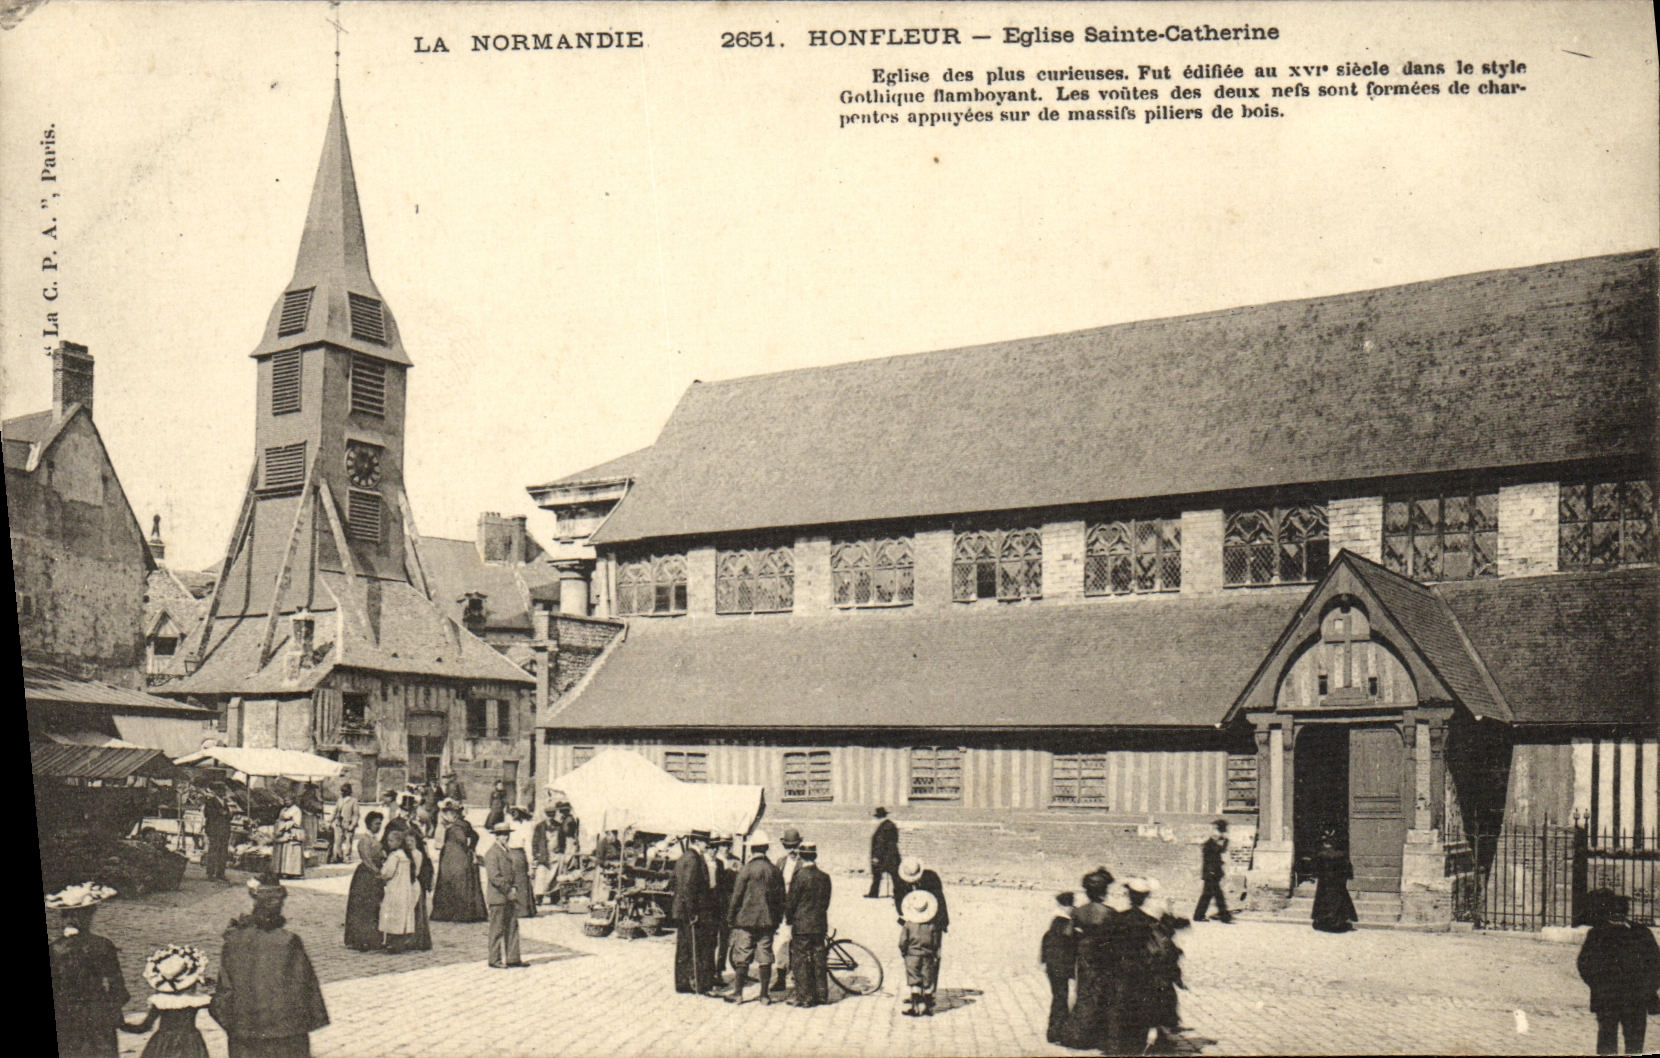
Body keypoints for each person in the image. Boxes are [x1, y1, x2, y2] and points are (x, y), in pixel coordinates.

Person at [211, 874, 329, 1058]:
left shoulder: (234, 940)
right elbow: (306, 989)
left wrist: (232, 1024)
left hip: (245, 1034)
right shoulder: (289, 941)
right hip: (286, 1035)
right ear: (280, 906)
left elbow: (224, 991)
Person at [48, 882, 128, 1058]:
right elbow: (119, 991)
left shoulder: (54, 949)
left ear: (63, 916)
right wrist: (112, 1011)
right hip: (97, 1013)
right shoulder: (103, 945)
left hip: (65, 1015)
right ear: (89, 915)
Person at [1578, 889, 1660, 1056]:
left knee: (1613, 1042)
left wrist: (1599, 985)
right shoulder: (1639, 933)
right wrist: (1648, 989)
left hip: (1615, 997)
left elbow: (1585, 965)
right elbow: (1586, 965)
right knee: (1628, 1043)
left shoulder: (1598, 933)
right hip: (1628, 998)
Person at [725, 828, 785, 1004]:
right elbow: (781, 898)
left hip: (746, 921)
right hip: (767, 922)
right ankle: (764, 995)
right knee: (765, 956)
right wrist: (777, 919)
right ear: (766, 848)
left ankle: (738, 993)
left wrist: (731, 918)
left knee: (742, 956)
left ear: (751, 850)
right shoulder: (774, 871)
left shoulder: (746, 870)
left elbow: (737, 896)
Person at [122, 944, 212, 1058]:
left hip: (162, 1042)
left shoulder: (161, 1003)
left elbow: (144, 1027)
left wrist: (121, 1024)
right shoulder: (194, 1002)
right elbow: (217, 1007)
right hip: (190, 1043)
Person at [1063, 868, 1118, 1051]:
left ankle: (1079, 1035)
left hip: (1085, 954)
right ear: (1104, 891)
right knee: (1103, 993)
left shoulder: (1079, 912)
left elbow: (1068, 934)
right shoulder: (1109, 912)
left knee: (1085, 993)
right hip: (1104, 954)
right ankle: (1100, 1035)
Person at [672, 831, 719, 995]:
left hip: (682, 910)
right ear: (698, 841)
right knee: (696, 947)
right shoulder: (693, 858)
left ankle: (682, 982)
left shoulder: (685, 856)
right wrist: (693, 912)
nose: (707, 845)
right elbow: (689, 888)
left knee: (684, 947)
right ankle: (698, 984)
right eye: (705, 842)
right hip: (691, 911)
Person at [785, 842, 832, 1008]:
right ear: (815, 856)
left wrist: (789, 919)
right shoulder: (825, 877)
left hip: (802, 925)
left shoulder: (799, 876)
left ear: (801, 856)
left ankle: (804, 997)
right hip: (819, 924)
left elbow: (791, 902)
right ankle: (821, 994)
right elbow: (826, 902)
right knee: (819, 958)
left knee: (801, 960)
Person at [430, 803, 488, 922]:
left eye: (448, 813)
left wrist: (465, 847)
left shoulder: (455, 827)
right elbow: (476, 836)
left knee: (452, 882)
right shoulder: (464, 824)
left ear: (453, 814)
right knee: (457, 882)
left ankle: (452, 913)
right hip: (456, 855)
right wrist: (471, 848)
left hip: (454, 857)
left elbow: (462, 838)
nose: (446, 816)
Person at [483, 819, 526, 968]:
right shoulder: (491, 853)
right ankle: (494, 960)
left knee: (512, 927)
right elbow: (494, 877)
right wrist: (508, 890)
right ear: (496, 836)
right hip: (498, 897)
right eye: (502, 834)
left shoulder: (506, 851)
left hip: (508, 896)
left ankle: (513, 958)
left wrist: (513, 887)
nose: (505, 837)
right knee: (497, 929)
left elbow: (511, 873)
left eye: (507, 834)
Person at [343, 810, 386, 951]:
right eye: (376, 824)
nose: (378, 826)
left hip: (375, 876)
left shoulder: (375, 840)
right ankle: (359, 939)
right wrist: (377, 872)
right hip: (365, 877)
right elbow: (367, 860)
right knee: (362, 908)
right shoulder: (364, 840)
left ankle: (372, 938)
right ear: (369, 824)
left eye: (380, 824)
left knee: (374, 907)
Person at [769, 826, 805, 994]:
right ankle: (781, 977)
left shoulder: (804, 863)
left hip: (799, 909)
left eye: (795, 846)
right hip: (784, 908)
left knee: (798, 944)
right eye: (789, 846)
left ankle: (799, 978)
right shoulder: (781, 862)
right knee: (782, 944)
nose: (792, 850)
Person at [898, 888, 943, 1017]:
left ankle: (915, 1008)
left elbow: (902, 942)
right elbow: (935, 943)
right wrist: (934, 953)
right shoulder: (932, 926)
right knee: (927, 980)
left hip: (912, 956)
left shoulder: (908, 925)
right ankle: (928, 1008)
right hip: (927, 956)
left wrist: (904, 952)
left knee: (915, 981)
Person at [1040, 892, 1076, 1044]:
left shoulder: (1055, 921)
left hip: (1052, 966)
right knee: (1061, 998)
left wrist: (1044, 961)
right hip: (1061, 966)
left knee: (1059, 997)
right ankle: (1057, 1032)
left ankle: (1056, 1031)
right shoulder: (1065, 922)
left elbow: (1046, 941)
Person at [532, 799, 580, 907]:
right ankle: (539, 897)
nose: (550, 817)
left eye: (552, 814)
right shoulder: (539, 827)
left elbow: (562, 841)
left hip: (555, 855)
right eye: (548, 814)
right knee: (541, 877)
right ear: (545, 815)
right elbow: (535, 842)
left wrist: (561, 852)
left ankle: (554, 897)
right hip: (544, 855)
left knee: (555, 877)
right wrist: (536, 854)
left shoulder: (559, 826)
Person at [378, 823, 417, 953]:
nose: (389, 843)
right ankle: (400, 942)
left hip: (395, 889)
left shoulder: (394, 856)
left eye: (391, 841)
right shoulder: (406, 857)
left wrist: (381, 874)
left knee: (392, 914)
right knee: (402, 916)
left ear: (398, 842)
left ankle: (391, 943)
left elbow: (387, 873)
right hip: (405, 890)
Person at [1311, 834, 1358, 933]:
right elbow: (1347, 867)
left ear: (1326, 843)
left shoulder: (1321, 855)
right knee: (1339, 900)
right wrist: (1346, 878)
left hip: (1324, 883)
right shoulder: (1341, 855)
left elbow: (1316, 869)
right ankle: (1338, 922)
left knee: (1323, 900)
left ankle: (1325, 922)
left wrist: (1316, 876)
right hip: (1337, 882)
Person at [1192, 819, 1232, 924]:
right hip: (1211, 874)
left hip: (1212, 873)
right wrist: (1212, 872)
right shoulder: (1210, 844)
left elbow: (1220, 851)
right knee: (1218, 896)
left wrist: (1225, 841)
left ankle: (1199, 915)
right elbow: (1213, 856)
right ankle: (1224, 917)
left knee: (1207, 895)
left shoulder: (1212, 843)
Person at [710, 832, 738, 981]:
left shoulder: (736, 861)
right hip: (715, 905)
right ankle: (711, 970)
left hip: (729, 905)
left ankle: (719, 970)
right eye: (722, 845)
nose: (725, 848)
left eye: (728, 844)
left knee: (725, 940)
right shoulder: (714, 861)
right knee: (713, 939)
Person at [405, 826, 434, 952]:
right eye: (407, 841)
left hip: (414, 884)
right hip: (409, 884)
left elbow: (417, 871)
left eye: (412, 841)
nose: (409, 843)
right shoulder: (407, 854)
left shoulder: (417, 854)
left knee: (416, 911)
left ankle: (416, 939)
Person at [505, 806, 537, 918]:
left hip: (516, 853)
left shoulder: (522, 826)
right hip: (515, 854)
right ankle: (522, 909)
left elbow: (528, 846)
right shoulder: (517, 825)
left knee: (517, 881)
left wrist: (530, 863)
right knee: (518, 882)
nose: (513, 814)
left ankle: (519, 910)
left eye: (515, 812)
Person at [202, 783, 233, 882]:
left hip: (224, 830)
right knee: (213, 851)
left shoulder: (225, 802)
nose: (223, 792)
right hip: (214, 829)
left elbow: (228, 815)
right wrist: (220, 813)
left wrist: (226, 814)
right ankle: (210, 873)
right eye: (221, 790)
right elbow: (207, 814)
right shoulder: (210, 801)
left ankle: (220, 873)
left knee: (223, 852)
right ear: (216, 791)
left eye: (223, 790)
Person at [867, 807, 900, 899]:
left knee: (877, 874)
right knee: (895, 875)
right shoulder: (890, 825)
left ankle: (873, 893)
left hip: (884, 856)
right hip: (892, 855)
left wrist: (876, 857)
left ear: (879, 817)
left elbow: (880, 843)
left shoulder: (884, 827)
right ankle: (898, 893)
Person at [273, 793, 306, 879]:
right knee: (282, 852)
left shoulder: (296, 810)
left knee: (291, 853)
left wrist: (286, 825)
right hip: (282, 832)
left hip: (292, 832)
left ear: (292, 801)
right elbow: (279, 819)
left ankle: (292, 872)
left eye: (288, 800)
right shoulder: (283, 810)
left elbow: (297, 822)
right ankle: (281, 870)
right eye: (285, 800)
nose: (286, 802)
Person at [328, 784, 358, 865]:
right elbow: (335, 811)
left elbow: (355, 814)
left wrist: (353, 824)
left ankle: (347, 857)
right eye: (342, 791)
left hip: (348, 823)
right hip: (339, 823)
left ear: (348, 792)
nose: (342, 793)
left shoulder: (353, 801)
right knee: (337, 841)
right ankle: (337, 856)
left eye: (344, 791)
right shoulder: (340, 800)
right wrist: (330, 821)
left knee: (348, 841)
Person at [296, 784, 324, 858]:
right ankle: (307, 851)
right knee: (308, 833)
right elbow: (302, 807)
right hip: (307, 817)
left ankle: (310, 850)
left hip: (313, 817)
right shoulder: (304, 797)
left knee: (312, 834)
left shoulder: (315, 798)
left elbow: (319, 807)